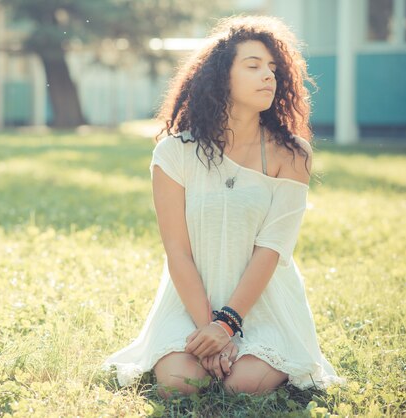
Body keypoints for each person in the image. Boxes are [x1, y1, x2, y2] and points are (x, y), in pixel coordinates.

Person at [103, 15, 345, 398]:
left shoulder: (292, 154)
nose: (268, 75)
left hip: (263, 304)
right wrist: (207, 329)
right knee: (181, 384)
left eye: (273, 68)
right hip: (190, 303)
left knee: (242, 386)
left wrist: (227, 324)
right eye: (253, 66)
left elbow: (272, 249)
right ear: (221, 77)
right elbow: (177, 252)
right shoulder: (174, 153)